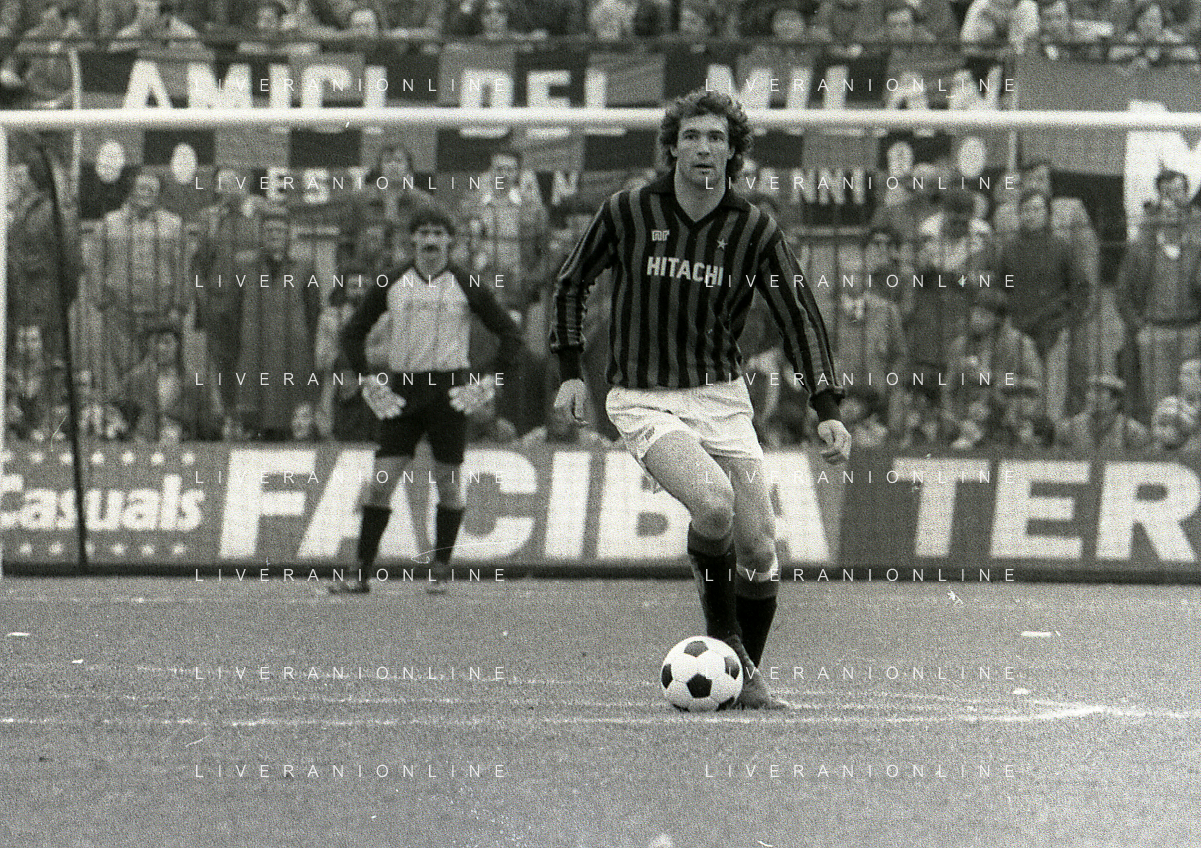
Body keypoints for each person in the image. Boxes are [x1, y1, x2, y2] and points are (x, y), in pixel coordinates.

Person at [549, 88, 852, 710]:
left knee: (759, 546)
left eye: (716, 137)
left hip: (721, 398)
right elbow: (572, 282)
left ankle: (742, 678)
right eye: (691, 136)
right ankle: (726, 644)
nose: (704, 148)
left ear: (734, 151)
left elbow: (799, 316)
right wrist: (572, 371)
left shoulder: (754, 229)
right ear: (672, 148)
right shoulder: (628, 210)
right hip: (643, 397)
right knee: (713, 505)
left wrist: (826, 406)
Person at [331, 205, 523, 595]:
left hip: (449, 392)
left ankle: (439, 568)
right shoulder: (392, 281)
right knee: (381, 481)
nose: (431, 240)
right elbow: (352, 332)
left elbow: (510, 334)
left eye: (438, 233)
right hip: (403, 392)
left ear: (450, 240)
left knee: (449, 484)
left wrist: (489, 380)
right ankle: (360, 572)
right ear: (412, 239)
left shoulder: (465, 282)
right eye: (424, 232)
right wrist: (367, 378)